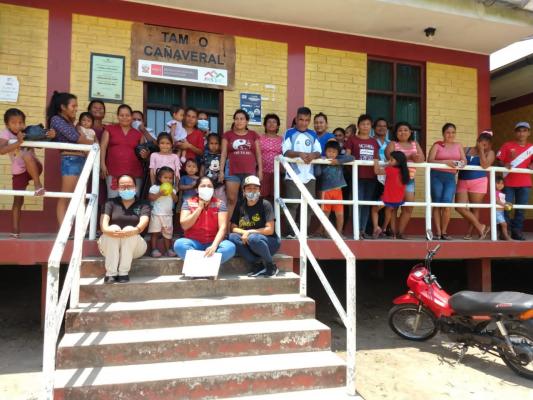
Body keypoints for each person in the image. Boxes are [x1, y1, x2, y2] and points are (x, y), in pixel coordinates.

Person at [0, 108, 54, 238]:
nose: (17, 125)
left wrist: (51, 135)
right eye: (14, 123)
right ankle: (15, 231)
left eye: (20, 122)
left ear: (24, 123)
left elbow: (42, 144)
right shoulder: (5, 133)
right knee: (17, 200)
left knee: (26, 154)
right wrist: (19, 142)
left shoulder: (28, 131)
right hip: (19, 172)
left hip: (34, 167)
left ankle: (38, 184)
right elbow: (1, 150)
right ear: (7, 124)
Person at [48, 91, 94, 226]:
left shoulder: (70, 123)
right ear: (63, 107)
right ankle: (65, 231)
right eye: (73, 106)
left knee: (80, 197)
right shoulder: (56, 119)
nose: (76, 109)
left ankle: (77, 230)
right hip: (70, 160)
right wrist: (96, 144)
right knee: (66, 196)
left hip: (80, 160)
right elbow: (76, 138)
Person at [98, 175, 150, 283]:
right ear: (118, 188)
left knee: (129, 229)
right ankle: (111, 273)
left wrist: (134, 230)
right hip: (109, 246)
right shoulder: (110, 203)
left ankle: (123, 272)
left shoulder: (143, 204)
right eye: (122, 186)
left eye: (129, 186)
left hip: (135, 247)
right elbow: (104, 225)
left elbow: (144, 222)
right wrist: (111, 231)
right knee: (113, 227)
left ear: (135, 187)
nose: (126, 189)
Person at [174, 176, 236, 263]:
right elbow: (184, 225)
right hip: (194, 243)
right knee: (179, 244)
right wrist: (199, 208)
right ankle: (208, 265)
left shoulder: (220, 204)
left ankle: (200, 265)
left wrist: (214, 246)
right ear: (197, 189)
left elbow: (223, 228)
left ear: (213, 190)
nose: (206, 188)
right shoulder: (188, 202)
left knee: (230, 247)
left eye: (209, 186)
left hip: (213, 242)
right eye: (203, 186)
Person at [282, 106, 322, 238]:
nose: (303, 122)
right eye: (301, 119)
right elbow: (286, 151)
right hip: (292, 175)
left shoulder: (313, 134)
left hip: (309, 175)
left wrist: (313, 155)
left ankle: (303, 231)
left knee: (309, 205)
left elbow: (318, 151)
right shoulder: (289, 133)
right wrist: (299, 153)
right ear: (296, 118)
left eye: (306, 120)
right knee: (292, 203)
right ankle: (291, 232)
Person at [229, 175, 280, 277]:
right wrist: (245, 233)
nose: (252, 191)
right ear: (243, 191)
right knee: (232, 237)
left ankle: (271, 266)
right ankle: (257, 265)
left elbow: (270, 230)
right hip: (248, 240)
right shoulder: (240, 205)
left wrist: (249, 232)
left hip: (268, 242)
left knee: (254, 238)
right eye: (248, 188)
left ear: (259, 190)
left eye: (255, 188)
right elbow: (233, 227)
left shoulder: (265, 204)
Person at [219, 109, 263, 222]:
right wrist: (221, 171)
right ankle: (227, 230)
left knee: (249, 199)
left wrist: (260, 171)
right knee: (231, 200)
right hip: (232, 170)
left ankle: (246, 227)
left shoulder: (253, 135)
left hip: (250, 171)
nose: (239, 121)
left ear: (247, 121)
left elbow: (258, 154)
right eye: (237, 119)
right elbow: (223, 154)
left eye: (242, 119)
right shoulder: (227, 135)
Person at [383, 122, 425, 239]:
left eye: (406, 130)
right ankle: (393, 232)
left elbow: (422, 158)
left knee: (408, 207)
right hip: (395, 180)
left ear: (411, 132)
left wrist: (417, 158)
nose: (403, 132)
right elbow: (389, 157)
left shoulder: (414, 143)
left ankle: (400, 232)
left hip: (409, 179)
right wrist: (409, 157)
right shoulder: (393, 143)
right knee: (394, 206)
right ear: (396, 133)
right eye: (400, 130)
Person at [428, 122, 466, 240]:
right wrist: (446, 162)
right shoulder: (437, 145)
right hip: (436, 176)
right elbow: (430, 161)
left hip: (450, 177)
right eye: (448, 132)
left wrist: (462, 164)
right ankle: (438, 233)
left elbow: (464, 160)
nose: (451, 135)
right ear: (443, 133)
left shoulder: (458, 145)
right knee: (437, 203)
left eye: (453, 132)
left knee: (447, 204)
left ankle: (444, 232)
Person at [100, 104, 148, 198]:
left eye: (127, 115)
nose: (124, 118)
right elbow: (103, 147)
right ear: (117, 116)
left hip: (134, 173)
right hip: (113, 171)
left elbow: (142, 154)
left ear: (131, 117)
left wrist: (145, 155)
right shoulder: (109, 129)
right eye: (122, 115)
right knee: (113, 200)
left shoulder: (138, 134)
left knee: (132, 201)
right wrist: (102, 165)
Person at [496, 121, 533, 240]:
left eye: (524, 131)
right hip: (508, 182)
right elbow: (499, 160)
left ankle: (517, 232)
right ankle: (504, 232)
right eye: (519, 131)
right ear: (515, 133)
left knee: (521, 209)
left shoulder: (531, 147)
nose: (521, 133)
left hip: (525, 183)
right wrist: (504, 164)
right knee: (507, 207)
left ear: (529, 133)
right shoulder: (507, 145)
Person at [345, 114, 379, 238]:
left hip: (371, 177)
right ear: (358, 125)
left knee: (366, 204)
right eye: (363, 124)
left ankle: (362, 230)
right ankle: (356, 230)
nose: (365, 126)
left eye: (368, 124)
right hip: (357, 177)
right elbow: (347, 157)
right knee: (356, 203)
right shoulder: (352, 139)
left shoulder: (374, 141)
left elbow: (376, 158)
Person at [456, 131, 494, 240]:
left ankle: (469, 233)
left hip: (479, 182)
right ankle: (481, 227)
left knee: (475, 209)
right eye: (481, 142)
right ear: (477, 141)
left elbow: (485, 165)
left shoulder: (490, 152)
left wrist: (481, 151)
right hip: (462, 180)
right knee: (459, 207)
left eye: (485, 144)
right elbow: (458, 162)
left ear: (489, 144)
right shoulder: (466, 149)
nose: (483, 145)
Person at [315, 141, 354, 237]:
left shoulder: (339, 159)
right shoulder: (322, 160)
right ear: (325, 151)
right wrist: (319, 162)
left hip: (338, 190)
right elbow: (317, 173)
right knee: (325, 213)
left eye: (334, 152)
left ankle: (339, 232)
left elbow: (352, 157)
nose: (331, 154)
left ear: (337, 153)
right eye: (329, 151)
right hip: (326, 191)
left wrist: (338, 161)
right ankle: (322, 231)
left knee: (340, 214)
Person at [372, 151, 410, 238]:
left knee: (374, 210)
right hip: (397, 199)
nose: (389, 161)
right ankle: (384, 228)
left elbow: (377, 171)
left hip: (387, 197)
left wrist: (376, 161)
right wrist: (388, 163)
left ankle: (376, 228)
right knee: (388, 211)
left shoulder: (390, 169)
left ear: (398, 162)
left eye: (391, 160)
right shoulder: (405, 172)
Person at [148, 167, 178, 257]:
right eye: (165, 178)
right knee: (155, 233)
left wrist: (172, 193)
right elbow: (150, 198)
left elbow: (176, 200)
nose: (168, 180)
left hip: (168, 215)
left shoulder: (172, 189)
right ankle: (154, 250)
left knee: (167, 234)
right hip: (156, 214)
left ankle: (168, 250)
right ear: (159, 178)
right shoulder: (155, 187)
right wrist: (159, 194)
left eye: (170, 178)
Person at [259, 113, 283, 201]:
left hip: (277, 172)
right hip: (263, 171)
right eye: (269, 122)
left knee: (275, 196)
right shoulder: (259, 138)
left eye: (274, 122)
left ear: (278, 126)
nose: (271, 124)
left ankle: (275, 215)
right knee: (262, 196)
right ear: (265, 125)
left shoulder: (282, 139)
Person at [200, 133, 225, 202]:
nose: (214, 146)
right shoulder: (205, 155)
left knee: (220, 202)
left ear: (220, 144)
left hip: (220, 184)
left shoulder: (222, 156)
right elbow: (202, 167)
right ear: (208, 144)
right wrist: (201, 179)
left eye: (216, 143)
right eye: (211, 143)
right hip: (207, 184)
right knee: (208, 202)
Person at [495, 176, 511, 241]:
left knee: (498, 225)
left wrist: (507, 204)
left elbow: (502, 201)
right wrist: (504, 205)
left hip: (501, 212)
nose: (500, 185)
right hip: (496, 212)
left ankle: (502, 236)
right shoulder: (495, 192)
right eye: (498, 183)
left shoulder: (501, 193)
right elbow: (497, 201)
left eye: (502, 183)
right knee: (504, 224)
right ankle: (506, 236)